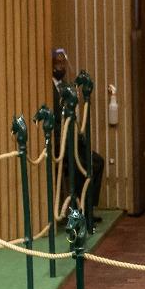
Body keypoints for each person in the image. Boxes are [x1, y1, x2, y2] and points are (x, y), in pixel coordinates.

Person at [52, 49, 104, 224]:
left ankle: (87, 207)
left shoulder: (66, 86)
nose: (61, 67)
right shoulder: (49, 89)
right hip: (60, 143)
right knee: (81, 165)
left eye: (62, 63)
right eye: (57, 63)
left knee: (97, 162)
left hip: (73, 138)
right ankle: (79, 211)